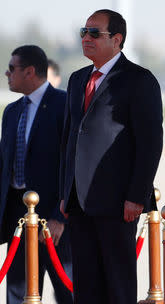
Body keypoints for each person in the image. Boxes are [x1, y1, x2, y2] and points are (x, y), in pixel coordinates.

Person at [59, 9, 163, 304]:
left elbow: (149, 142)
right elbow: (70, 140)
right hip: (79, 201)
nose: (86, 38)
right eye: (84, 31)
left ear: (117, 39)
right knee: (86, 285)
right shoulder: (78, 79)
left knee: (118, 283)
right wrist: (65, 192)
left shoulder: (138, 80)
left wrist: (136, 195)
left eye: (95, 33)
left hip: (118, 202)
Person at [1, 45, 73, 304]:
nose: (7, 74)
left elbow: (72, 165)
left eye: (12, 69)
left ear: (30, 71)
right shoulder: (11, 112)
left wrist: (59, 217)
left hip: (55, 221)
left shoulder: (64, 105)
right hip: (17, 221)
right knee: (18, 293)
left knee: (68, 291)